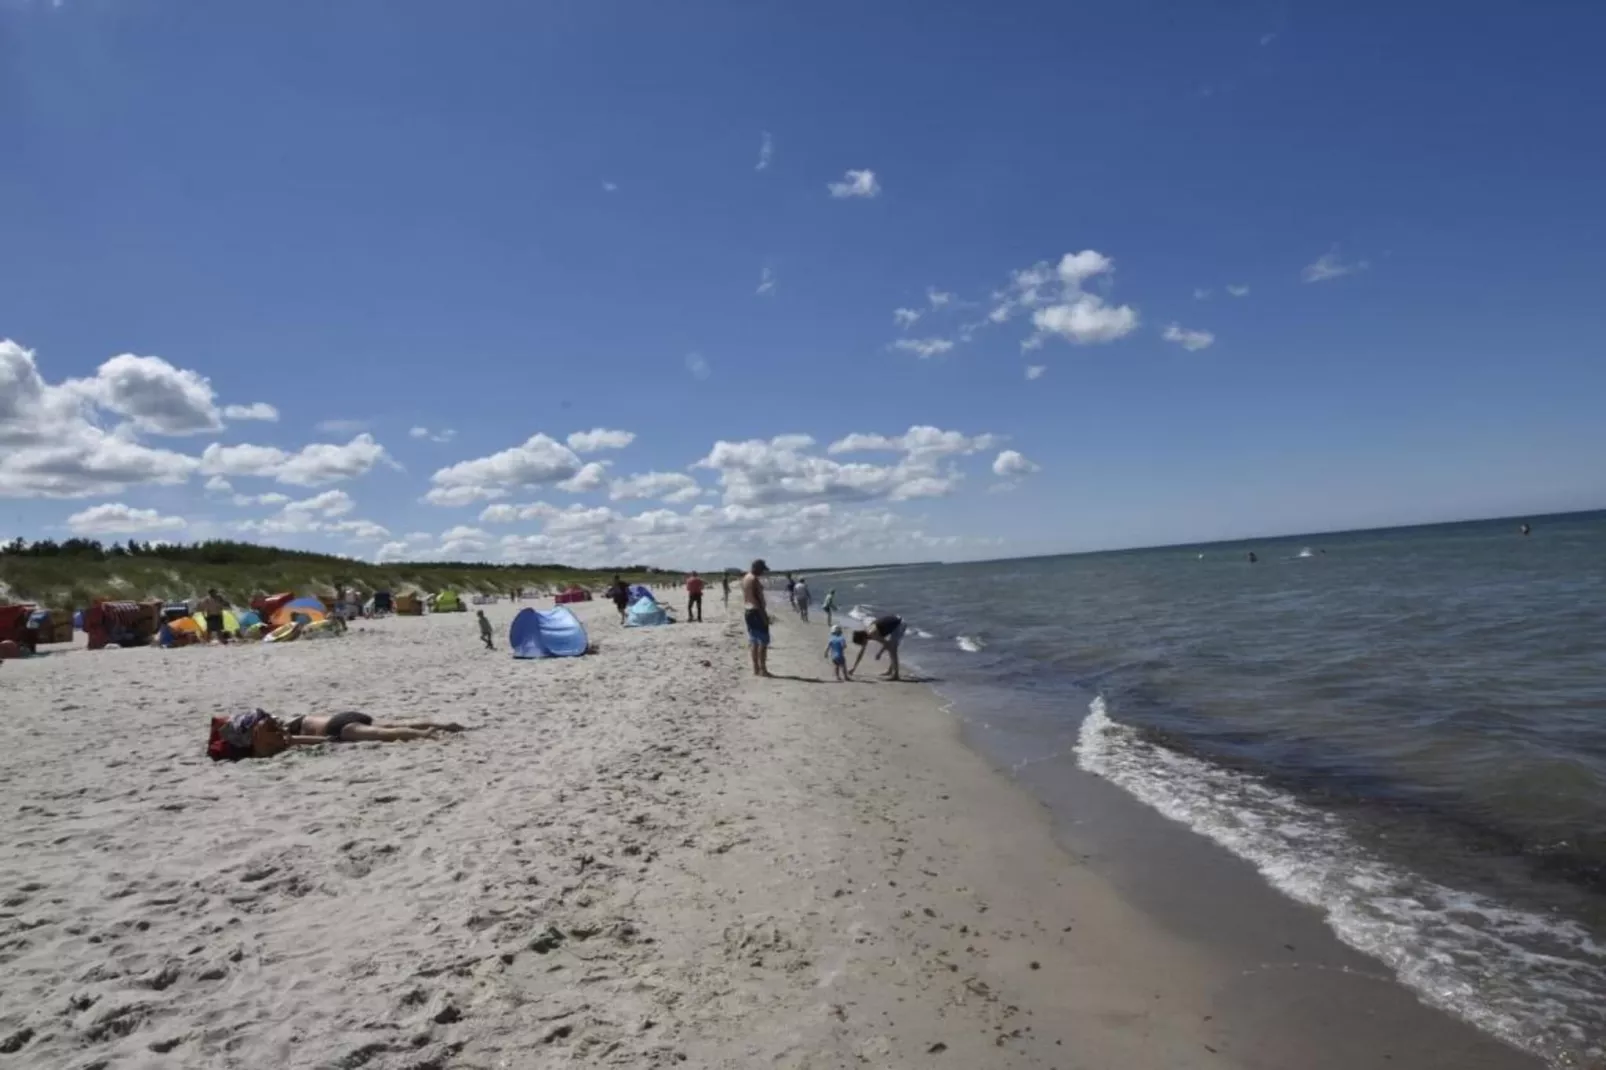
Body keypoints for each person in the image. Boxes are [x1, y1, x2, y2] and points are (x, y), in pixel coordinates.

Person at [208, 709, 467, 761]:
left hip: (338, 728)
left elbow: (325, 740)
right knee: (393, 724)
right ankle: (443, 725)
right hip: (341, 717)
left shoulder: (275, 737)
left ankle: (430, 733)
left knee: (383, 733)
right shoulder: (274, 725)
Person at [850, 614, 907, 681]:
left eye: (861, 643)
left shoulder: (873, 633)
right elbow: (861, 653)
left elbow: (887, 644)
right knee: (892, 647)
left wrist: (880, 653)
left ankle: (896, 675)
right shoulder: (866, 633)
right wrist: (854, 668)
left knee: (893, 650)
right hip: (893, 622)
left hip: (899, 623)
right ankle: (890, 671)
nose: (862, 644)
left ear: (863, 638)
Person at [742, 558, 772, 677]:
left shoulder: (745, 578)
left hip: (748, 611)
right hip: (756, 611)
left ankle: (756, 668)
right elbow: (758, 600)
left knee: (754, 641)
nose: (763, 572)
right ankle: (763, 669)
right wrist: (764, 616)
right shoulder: (754, 580)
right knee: (763, 642)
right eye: (762, 570)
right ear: (757, 568)